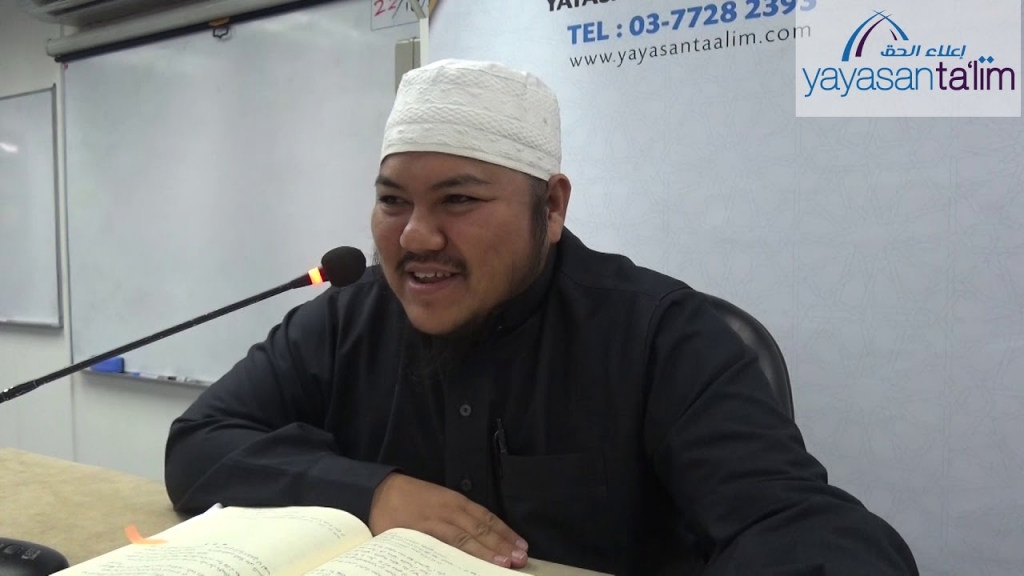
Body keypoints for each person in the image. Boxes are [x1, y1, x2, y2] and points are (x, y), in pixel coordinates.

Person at [164, 58, 918, 576]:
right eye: (393, 200)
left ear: (551, 208)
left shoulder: (659, 334)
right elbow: (201, 442)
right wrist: (376, 492)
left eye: (459, 200)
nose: (415, 237)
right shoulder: (345, 321)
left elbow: (799, 526)